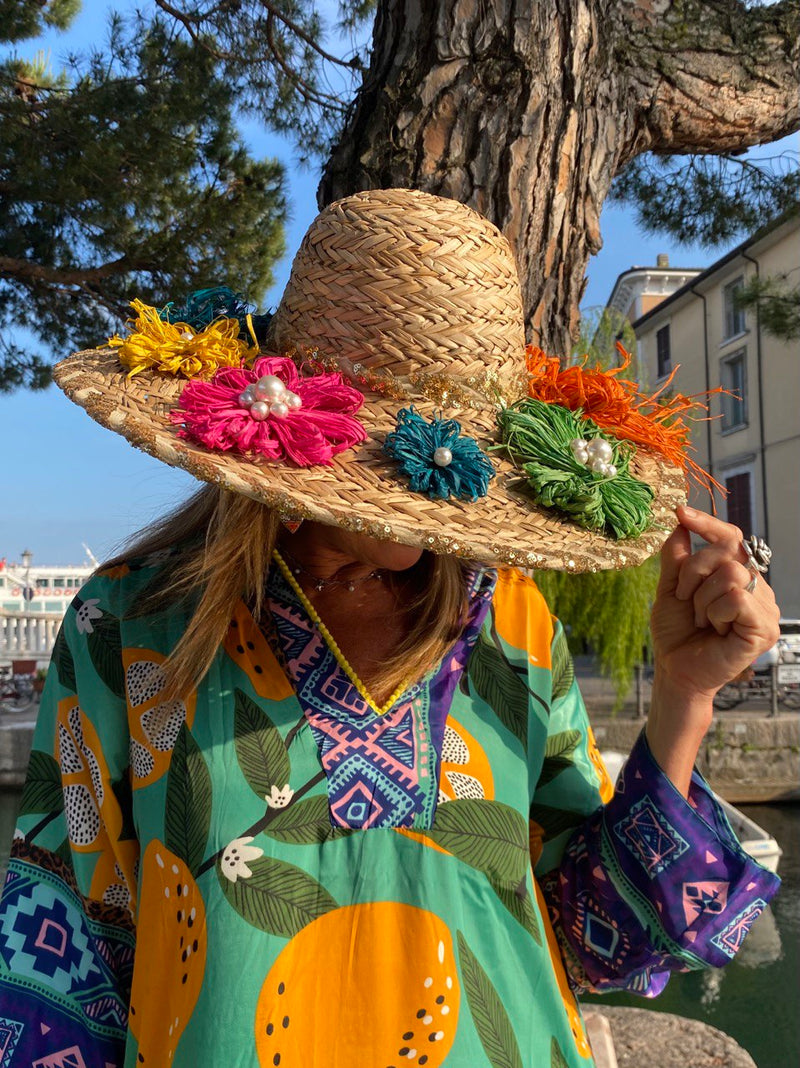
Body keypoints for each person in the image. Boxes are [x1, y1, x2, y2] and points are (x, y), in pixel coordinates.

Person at [0, 189, 780, 1068]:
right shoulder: (132, 625)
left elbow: (598, 943)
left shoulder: (511, 618)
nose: (437, 499)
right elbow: (61, 971)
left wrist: (685, 695)